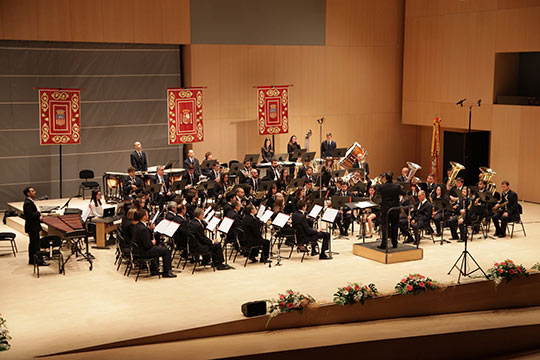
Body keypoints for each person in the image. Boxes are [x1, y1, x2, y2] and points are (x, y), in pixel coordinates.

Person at [131, 209, 176, 278]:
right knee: (166, 250)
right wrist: (152, 242)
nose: (148, 215)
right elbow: (148, 245)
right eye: (146, 214)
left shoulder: (137, 225)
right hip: (144, 251)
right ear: (143, 217)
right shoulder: (143, 229)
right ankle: (167, 272)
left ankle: (154, 270)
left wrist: (150, 230)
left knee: (159, 248)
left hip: (138, 250)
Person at [377, 172, 403, 249]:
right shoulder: (397, 186)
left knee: (385, 226)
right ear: (392, 177)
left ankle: (384, 244)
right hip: (395, 209)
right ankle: (394, 243)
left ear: (385, 177)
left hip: (385, 209)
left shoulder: (381, 186)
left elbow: (378, 195)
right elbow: (403, 193)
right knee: (395, 226)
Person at [23, 187, 47, 266]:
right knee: (35, 245)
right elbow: (30, 215)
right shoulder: (28, 203)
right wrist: (38, 213)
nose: (35, 192)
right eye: (32, 191)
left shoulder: (29, 202)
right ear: (28, 193)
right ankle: (38, 261)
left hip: (33, 226)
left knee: (33, 244)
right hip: (32, 227)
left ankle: (32, 259)